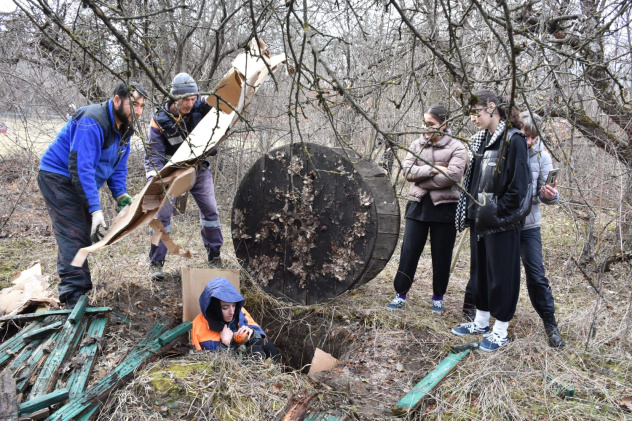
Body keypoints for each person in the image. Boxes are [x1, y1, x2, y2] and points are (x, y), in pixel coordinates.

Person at [38, 81, 148, 308]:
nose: (138, 111)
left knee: (79, 233)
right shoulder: (92, 121)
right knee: (74, 233)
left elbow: (117, 166)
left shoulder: (125, 128)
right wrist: (95, 209)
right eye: (134, 105)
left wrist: (120, 195)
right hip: (58, 178)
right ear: (117, 100)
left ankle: (79, 288)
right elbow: (81, 167)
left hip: (76, 179)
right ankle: (73, 298)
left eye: (142, 107)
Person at [451, 90, 531, 352]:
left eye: (476, 111)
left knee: (502, 276)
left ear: (492, 107)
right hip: (479, 218)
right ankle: (482, 321)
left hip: (501, 221)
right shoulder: (480, 141)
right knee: (481, 273)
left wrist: (496, 213)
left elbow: (519, 188)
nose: (473, 117)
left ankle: (500, 331)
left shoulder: (513, 139)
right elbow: (474, 182)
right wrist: (477, 213)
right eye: (470, 113)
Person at [386, 105, 467, 313]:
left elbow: (454, 177)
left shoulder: (457, 147)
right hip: (418, 206)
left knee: (442, 255)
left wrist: (423, 178)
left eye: (431, 124)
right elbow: (407, 171)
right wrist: (434, 169)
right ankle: (400, 294)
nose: (425, 127)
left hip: (445, 210)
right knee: (409, 252)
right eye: (424, 123)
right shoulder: (417, 145)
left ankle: (438, 297)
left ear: (444, 124)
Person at [145, 73, 223, 280]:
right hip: (171, 172)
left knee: (211, 211)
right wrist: (155, 182)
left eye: (192, 98)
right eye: (185, 100)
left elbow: (224, 104)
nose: (190, 103)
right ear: (174, 98)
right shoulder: (160, 120)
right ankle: (156, 264)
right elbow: (153, 156)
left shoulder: (201, 105)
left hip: (199, 168)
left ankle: (214, 256)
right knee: (161, 216)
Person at [517, 111, 565, 347]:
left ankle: (550, 323)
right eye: (525, 135)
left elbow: (547, 195)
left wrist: (550, 195)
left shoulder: (542, 156)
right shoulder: (504, 151)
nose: (529, 142)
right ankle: (479, 312)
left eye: (533, 137)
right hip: (503, 224)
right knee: (497, 271)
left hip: (529, 225)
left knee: (536, 275)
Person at [191, 277, 278, 360]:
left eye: (234, 305)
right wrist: (225, 343)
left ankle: (275, 372)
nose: (232, 312)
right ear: (214, 307)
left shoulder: (241, 313)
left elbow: (262, 337)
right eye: (225, 307)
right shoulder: (199, 325)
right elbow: (208, 364)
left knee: (267, 346)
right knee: (254, 353)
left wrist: (252, 334)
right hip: (230, 366)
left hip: (246, 356)